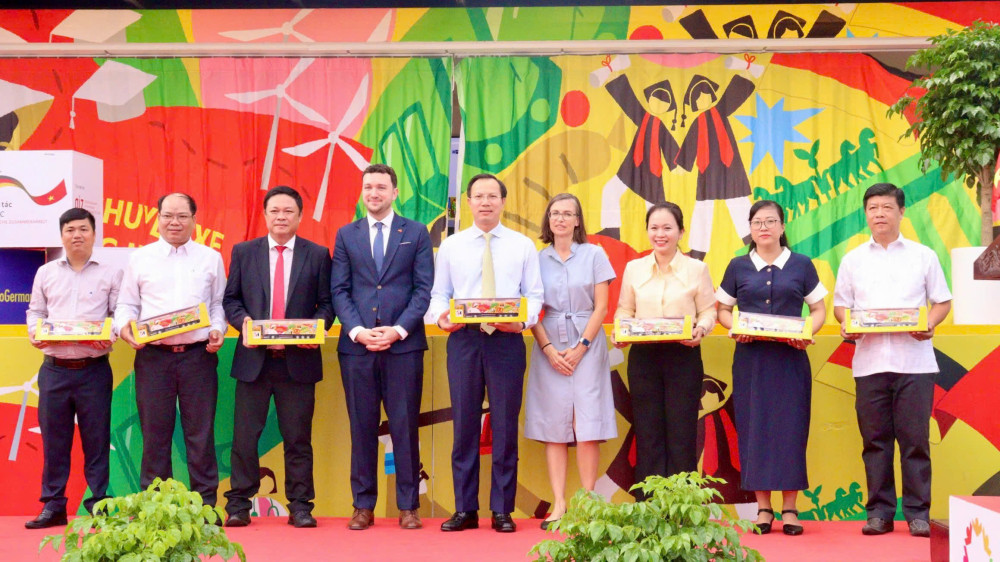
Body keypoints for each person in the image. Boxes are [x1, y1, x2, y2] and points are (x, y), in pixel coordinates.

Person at [833, 183, 951, 538]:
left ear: (902, 212)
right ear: (865, 214)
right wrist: (846, 325)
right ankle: (879, 513)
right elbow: (842, 305)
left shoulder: (923, 255)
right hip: (869, 363)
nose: (879, 214)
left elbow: (942, 301)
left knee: (915, 441)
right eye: (873, 208)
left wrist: (929, 323)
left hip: (914, 362)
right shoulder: (853, 259)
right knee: (875, 440)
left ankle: (917, 513)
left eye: (887, 207)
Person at [428, 173, 544, 533]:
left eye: (492, 196)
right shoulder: (452, 245)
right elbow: (438, 295)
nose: (485, 202)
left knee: (505, 426)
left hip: (506, 342)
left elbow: (536, 296)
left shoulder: (522, 245)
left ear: (503, 202)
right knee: (464, 424)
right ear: (468, 202)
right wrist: (441, 319)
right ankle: (465, 509)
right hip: (464, 341)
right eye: (478, 196)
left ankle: (502, 510)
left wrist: (522, 323)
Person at [222, 185, 334, 529]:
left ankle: (300, 504)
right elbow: (231, 300)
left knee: (298, 438)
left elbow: (327, 304)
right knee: (244, 437)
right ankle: (239, 504)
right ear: (265, 215)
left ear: (299, 216)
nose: (281, 217)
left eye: (288, 211)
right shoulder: (244, 252)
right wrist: (242, 323)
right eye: (275, 211)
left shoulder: (317, 254)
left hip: (297, 362)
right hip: (254, 361)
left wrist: (316, 329)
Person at [715, 200, 827, 536]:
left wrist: (807, 332)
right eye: (757, 222)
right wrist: (734, 328)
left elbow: (818, 309)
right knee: (754, 428)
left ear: (782, 226)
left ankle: (790, 509)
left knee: (790, 429)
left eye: (771, 221)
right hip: (751, 360)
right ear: (750, 228)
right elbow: (721, 309)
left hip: (790, 359)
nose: (764, 227)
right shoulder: (737, 266)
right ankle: (763, 508)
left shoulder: (802, 264)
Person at [331, 164, 434, 531]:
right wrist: (357, 330)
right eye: (368, 187)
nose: (373, 193)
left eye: (380, 187)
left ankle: (408, 505)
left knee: (405, 426)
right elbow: (339, 290)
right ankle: (363, 505)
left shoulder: (416, 232)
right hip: (357, 348)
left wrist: (398, 330)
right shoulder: (346, 235)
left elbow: (423, 290)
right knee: (362, 427)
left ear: (394, 192)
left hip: (403, 348)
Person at [114, 193, 227, 507]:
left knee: (200, 435)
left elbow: (217, 304)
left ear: (194, 219)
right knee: (154, 436)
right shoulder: (140, 257)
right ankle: (155, 507)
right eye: (167, 215)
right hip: (154, 358)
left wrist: (218, 328)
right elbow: (126, 305)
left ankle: (206, 507)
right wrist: (125, 329)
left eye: (182, 216)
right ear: (158, 218)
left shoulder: (210, 257)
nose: (174, 222)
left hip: (198, 357)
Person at [24, 208, 123, 529]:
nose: (76, 234)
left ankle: (98, 505)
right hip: (54, 370)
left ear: (95, 234)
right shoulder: (46, 272)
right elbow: (35, 311)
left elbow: (119, 315)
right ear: (62, 235)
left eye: (83, 229)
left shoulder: (111, 273)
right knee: (55, 440)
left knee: (97, 439)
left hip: (93, 368)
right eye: (70, 229)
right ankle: (53, 505)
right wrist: (35, 333)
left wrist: (109, 334)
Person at [524, 193, 616, 530]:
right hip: (548, 342)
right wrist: (549, 349)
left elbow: (602, 307)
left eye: (568, 214)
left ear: (578, 221)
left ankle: (588, 501)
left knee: (587, 424)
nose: (561, 219)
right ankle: (560, 502)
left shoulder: (594, 254)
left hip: (588, 343)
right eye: (555, 213)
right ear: (548, 220)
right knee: (554, 426)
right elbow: (531, 309)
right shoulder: (535, 259)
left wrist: (581, 347)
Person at [613, 202, 715, 492]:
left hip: (683, 354)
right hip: (644, 357)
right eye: (654, 228)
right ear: (647, 231)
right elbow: (624, 311)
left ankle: (682, 506)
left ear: (681, 232)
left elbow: (708, 311)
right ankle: (650, 506)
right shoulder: (634, 269)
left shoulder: (697, 269)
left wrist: (701, 330)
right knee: (648, 430)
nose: (660, 234)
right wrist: (621, 332)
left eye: (667, 228)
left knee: (682, 432)